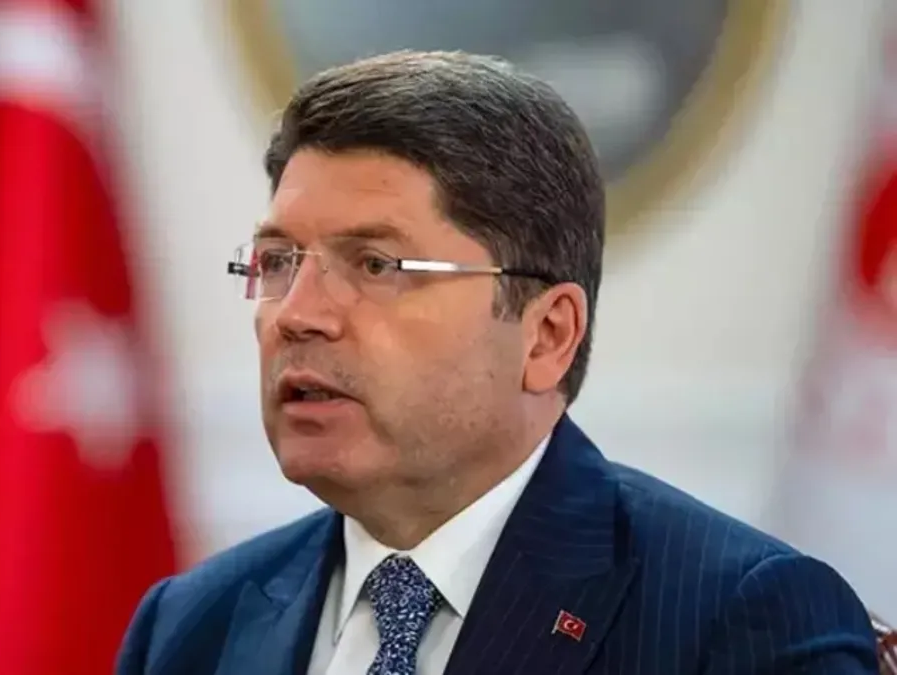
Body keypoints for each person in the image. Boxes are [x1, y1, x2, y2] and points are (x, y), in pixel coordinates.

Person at [116, 50, 881, 674]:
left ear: (547, 335)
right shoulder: (191, 625)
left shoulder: (739, 620)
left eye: (376, 264)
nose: (296, 314)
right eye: (280, 260)